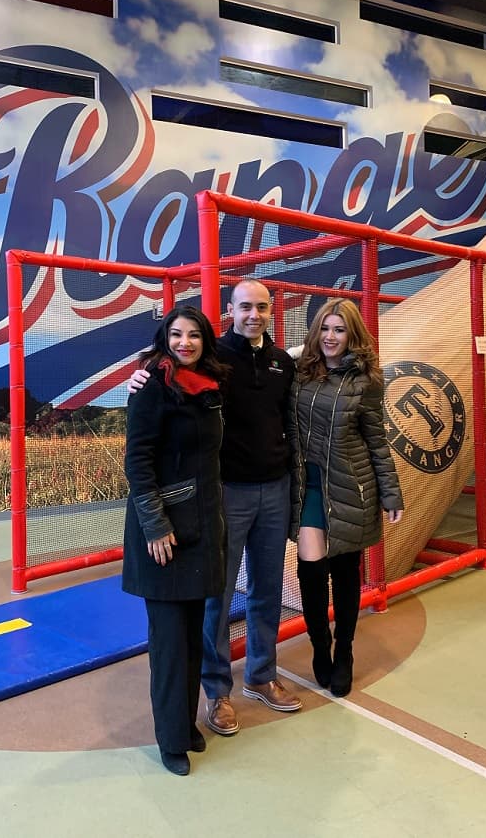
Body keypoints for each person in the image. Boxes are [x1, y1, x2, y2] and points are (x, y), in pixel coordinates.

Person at [129, 279, 302, 737]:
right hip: (226, 493)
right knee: (218, 596)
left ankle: (261, 676)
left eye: (261, 307)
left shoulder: (282, 363)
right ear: (231, 310)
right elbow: (166, 377)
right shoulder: (213, 360)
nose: (253, 315)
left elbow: (289, 421)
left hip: (275, 489)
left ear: (271, 310)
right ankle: (217, 691)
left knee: (267, 589)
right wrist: (140, 376)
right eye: (245, 307)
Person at [122, 305, 228, 776]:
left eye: (194, 335)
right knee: (168, 644)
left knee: (190, 638)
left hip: (199, 528)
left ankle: (185, 726)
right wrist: (155, 524)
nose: (185, 343)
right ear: (165, 338)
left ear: (206, 342)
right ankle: (170, 740)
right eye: (177, 335)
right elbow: (138, 461)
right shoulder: (151, 385)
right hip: (163, 534)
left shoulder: (209, 388)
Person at [290, 298, 404, 697]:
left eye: (339, 330)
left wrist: (391, 492)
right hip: (308, 486)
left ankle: (345, 650)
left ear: (352, 335)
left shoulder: (366, 381)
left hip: (349, 485)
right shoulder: (300, 372)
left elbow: (377, 441)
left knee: (344, 572)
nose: (330, 337)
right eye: (324, 328)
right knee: (311, 571)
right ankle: (320, 645)